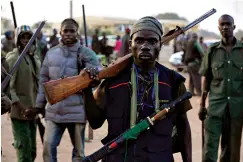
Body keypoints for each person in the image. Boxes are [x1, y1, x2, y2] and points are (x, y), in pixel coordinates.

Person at [83, 16, 192, 162]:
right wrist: (86, 90)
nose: (145, 46)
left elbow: (183, 127)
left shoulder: (173, 81)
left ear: (160, 44)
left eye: (152, 41)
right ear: (130, 44)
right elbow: (95, 123)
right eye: (139, 41)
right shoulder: (112, 80)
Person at [27, 18, 100, 162]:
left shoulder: (86, 53)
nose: (68, 34)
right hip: (54, 111)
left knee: (79, 154)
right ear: (60, 31)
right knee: (48, 149)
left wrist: (92, 74)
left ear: (77, 33)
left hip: (77, 111)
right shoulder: (51, 53)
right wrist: (39, 106)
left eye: (71, 31)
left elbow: (98, 77)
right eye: (65, 30)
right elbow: (43, 82)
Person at [199, 14, 243, 162]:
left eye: (228, 24)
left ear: (233, 27)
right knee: (210, 147)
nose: (225, 27)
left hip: (237, 109)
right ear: (218, 28)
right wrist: (201, 105)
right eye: (222, 24)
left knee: (231, 148)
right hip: (215, 107)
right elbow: (206, 78)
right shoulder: (212, 50)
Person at [6, 25, 41, 162]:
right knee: (23, 152)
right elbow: (9, 87)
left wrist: (38, 106)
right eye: (23, 37)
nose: (26, 40)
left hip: (32, 111)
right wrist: (21, 107)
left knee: (32, 151)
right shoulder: (13, 58)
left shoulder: (34, 58)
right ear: (18, 40)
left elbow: (38, 83)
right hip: (19, 112)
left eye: (29, 37)